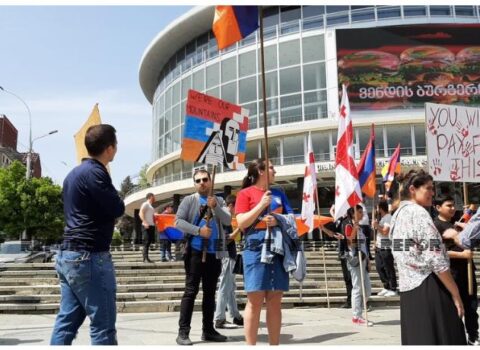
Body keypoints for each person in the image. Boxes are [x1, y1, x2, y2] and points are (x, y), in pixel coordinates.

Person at [50, 124, 125, 345]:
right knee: (103, 326)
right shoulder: (96, 173)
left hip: (69, 256)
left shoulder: (72, 174)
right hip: (89, 257)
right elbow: (117, 207)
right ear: (110, 148)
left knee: (66, 322)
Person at [390, 169, 465, 345]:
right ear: (412, 189)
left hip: (410, 289)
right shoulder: (419, 213)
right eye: (429, 188)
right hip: (430, 287)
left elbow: (405, 249)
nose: (433, 193)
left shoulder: (397, 215)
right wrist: (455, 293)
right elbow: (435, 258)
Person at [235, 158, 295, 345]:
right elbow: (242, 222)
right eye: (271, 168)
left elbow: (292, 218)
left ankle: (274, 345)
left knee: (275, 298)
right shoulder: (245, 194)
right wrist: (261, 204)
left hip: (278, 247)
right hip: (255, 247)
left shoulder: (279, 193)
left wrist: (278, 220)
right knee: (255, 298)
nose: (274, 171)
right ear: (261, 171)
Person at [175, 169, 230, 345]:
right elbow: (178, 222)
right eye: (198, 180)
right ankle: (183, 332)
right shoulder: (189, 200)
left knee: (209, 293)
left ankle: (208, 330)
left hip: (214, 253)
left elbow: (228, 220)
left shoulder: (219, 200)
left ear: (210, 181)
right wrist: (199, 231)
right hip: (195, 253)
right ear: (194, 183)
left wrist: (215, 207)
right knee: (190, 292)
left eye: (205, 179)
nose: (202, 183)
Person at [434, 195, 479, 345]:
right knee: (455, 308)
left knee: (471, 305)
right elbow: (436, 251)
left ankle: (474, 336)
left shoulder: (459, 222)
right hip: (451, 273)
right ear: (438, 207)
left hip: (467, 271)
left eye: (454, 205)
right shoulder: (435, 226)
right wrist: (461, 254)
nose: (453, 208)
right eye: (448, 205)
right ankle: (456, 339)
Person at [214, 194, 244, 329]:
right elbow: (227, 238)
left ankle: (235, 316)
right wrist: (240, 228)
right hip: (226, 254)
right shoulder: (225, 215)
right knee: (225, 287)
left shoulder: (225, 216)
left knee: (230, 287)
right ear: (231, 205)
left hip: (229, 255)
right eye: (236, 206)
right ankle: (219, 318)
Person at [343, 205, 372, 326]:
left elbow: (364, 245)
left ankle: (359, 311)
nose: (361, 214)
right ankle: (356, 316)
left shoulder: (360, 228)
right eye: (359, 212)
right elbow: (350, 241)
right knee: (357, 288)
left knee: (367, 289)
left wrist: (369, 260)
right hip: (355, 260)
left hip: (363, 259)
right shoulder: (349, 226)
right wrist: (354, 227)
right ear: (353, 214)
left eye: (361, 212)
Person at [372, 200, 397, 297]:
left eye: (377, 208)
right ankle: (386, 286)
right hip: (379, 246)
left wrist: (376, 225)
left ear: (380, 208)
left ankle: (393, 288)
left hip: (386, 247)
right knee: (379, 267)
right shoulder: (382, 218)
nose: (376, 210)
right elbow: (379, 233)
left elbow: (385, 232)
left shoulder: (388, 218)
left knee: (388, 267)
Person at [140, 193, 156, 263]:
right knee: (146, 242)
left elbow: (152, 216)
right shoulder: (145, 204)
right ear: (150, 197)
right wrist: (145, 222)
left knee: (149, 242)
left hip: (151, 225)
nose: (155, 198)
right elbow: (141, 213)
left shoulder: (151, 206)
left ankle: (146, 258)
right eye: (154, 197)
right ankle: (145, 258)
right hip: (146, 225)